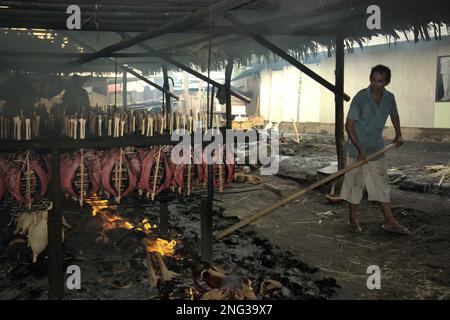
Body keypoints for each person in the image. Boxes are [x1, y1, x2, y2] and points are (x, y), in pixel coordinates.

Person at [340, 65, 409, 234]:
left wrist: (398, 134)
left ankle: (389, 220)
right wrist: (361, 151)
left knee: (381, 183)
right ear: (370, 79)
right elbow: (349, 126)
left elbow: (394, 115)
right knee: (355, 183)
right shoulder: (361, 97)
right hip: (357, 149)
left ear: (386, 82)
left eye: (380, 81)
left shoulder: (389, 98)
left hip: (376, 148)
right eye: (373, 80)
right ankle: (352, 219)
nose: (376, 84)